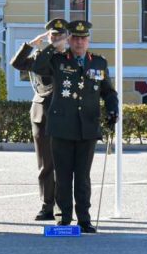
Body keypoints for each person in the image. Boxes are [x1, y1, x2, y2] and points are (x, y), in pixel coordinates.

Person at [31, 19, 119, 233]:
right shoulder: (58, 60)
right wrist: (53, 44)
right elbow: (37, 66)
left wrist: (112, 110)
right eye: (75, 38)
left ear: (88, 40)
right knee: (62, 176)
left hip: (87, 128)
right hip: (61, 127)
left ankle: (84, 219)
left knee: (82, 176)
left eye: (83, 38)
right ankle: (64, 218)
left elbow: (108, 92)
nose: (79, 42)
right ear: (70, 39)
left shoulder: (98, 63)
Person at [10, 18, 68, 221]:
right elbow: (17, 64)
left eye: (60, 36)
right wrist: (32, 44)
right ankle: (46, 205)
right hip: (42, 114)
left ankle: (63, 208)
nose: (56, 39)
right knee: (46, 165)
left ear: (67, 38)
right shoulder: (40, 56)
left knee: (64, 164)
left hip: (65, 116)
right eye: (53, 36)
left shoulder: (70, 57)